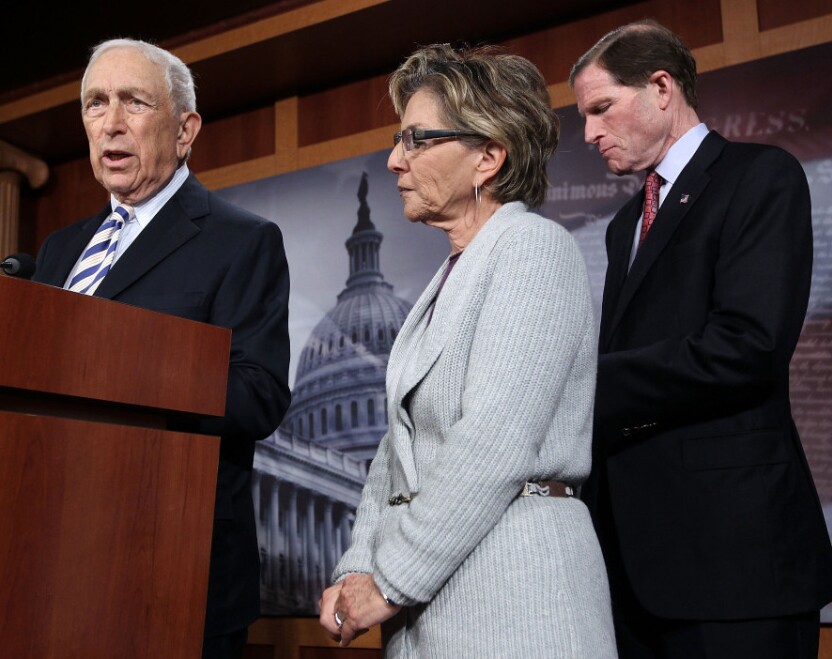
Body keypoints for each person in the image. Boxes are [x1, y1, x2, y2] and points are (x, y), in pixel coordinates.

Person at [317, 44, 617, 657]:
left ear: (488, 156)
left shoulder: (534, 249)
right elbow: (393, 452)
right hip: (438, 604)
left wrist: (390, 580)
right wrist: (355, 568)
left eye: (417, 140)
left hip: (518, 595)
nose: (396, 160)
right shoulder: (448, 280)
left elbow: (494, 443)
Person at [569, 19, 832, 659]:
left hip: (737, 564)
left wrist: (581, 381)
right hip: (634, 568)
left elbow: (747, 346)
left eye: (601, 108)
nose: (588, 134)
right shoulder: (621, 227)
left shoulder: (760, 177)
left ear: (661, 87)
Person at [32, 39, 291, 659]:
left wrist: (119, 366)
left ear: (184, 130)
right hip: (48, 562)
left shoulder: (241, 241)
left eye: (134, 102)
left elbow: (258, 395)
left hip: (172, 567)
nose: (111, 123)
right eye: (95, 104)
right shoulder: (58, 251)